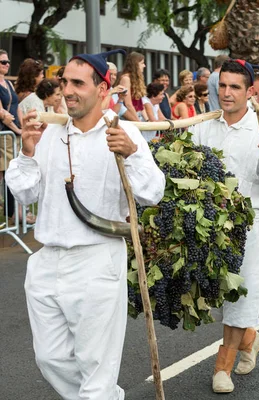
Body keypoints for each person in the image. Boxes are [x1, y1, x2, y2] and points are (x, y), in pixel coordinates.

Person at [5, 49, 165, 400]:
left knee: (96, 368)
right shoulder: (50, 133)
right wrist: (27, 151)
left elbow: (153, 192)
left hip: (96, 260)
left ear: (103, 90)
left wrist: (133, 154)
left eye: (79, 83)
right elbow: (24, 193)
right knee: (50, 358)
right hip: (46, 260)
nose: (68, 90)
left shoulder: (122, 134)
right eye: (65, 82)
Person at [189, 59, 259, 394]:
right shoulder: (204, 126)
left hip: (248, 227)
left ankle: (222, 368)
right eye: (222, 85)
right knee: (214, 296)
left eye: (234, 87)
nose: (226, 93)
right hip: (209, 227)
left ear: (250, 91)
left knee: (238, 298)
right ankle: (250, 338)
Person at [0, 49, 22, 229]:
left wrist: (22, 127)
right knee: (3, 173)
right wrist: (18, 131)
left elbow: (17, 106)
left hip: (12, 134)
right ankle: (8, 216)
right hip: (4, 134)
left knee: (11, 173)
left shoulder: (8, 83)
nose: (7, 65)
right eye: (3, 62)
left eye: (7, 62)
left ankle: (11, 213)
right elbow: (3, 114)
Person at [115, 51, 146, 121]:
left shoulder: (135, 79)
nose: (144, 65)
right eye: (142, 63)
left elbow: (140, 104)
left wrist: (146, 120)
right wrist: (137, 120)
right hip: (131, 116)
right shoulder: (126, 78)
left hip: (138, 114)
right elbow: (128, 103)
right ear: (135, 64)